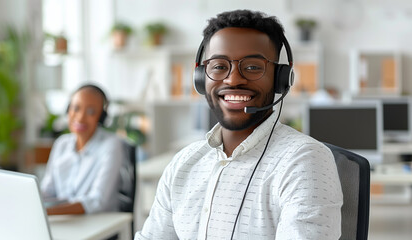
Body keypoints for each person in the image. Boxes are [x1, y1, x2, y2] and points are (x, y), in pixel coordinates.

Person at [135, 10, 343, 239]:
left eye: (253, 67)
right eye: (219, 66)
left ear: (280, 79)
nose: (233, 80)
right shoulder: (183, 164)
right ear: (201, 78)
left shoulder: (304, 160)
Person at [40, 84, 124, 215]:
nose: (80, 118)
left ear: (102, 117)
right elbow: (47, 190)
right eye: (76, 108)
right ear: (68, 110)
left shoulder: (111, 145)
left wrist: (50, 212)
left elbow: (97, 201)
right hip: (65, 220)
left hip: (98, 222)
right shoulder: (61, 144)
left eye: (91, 112)